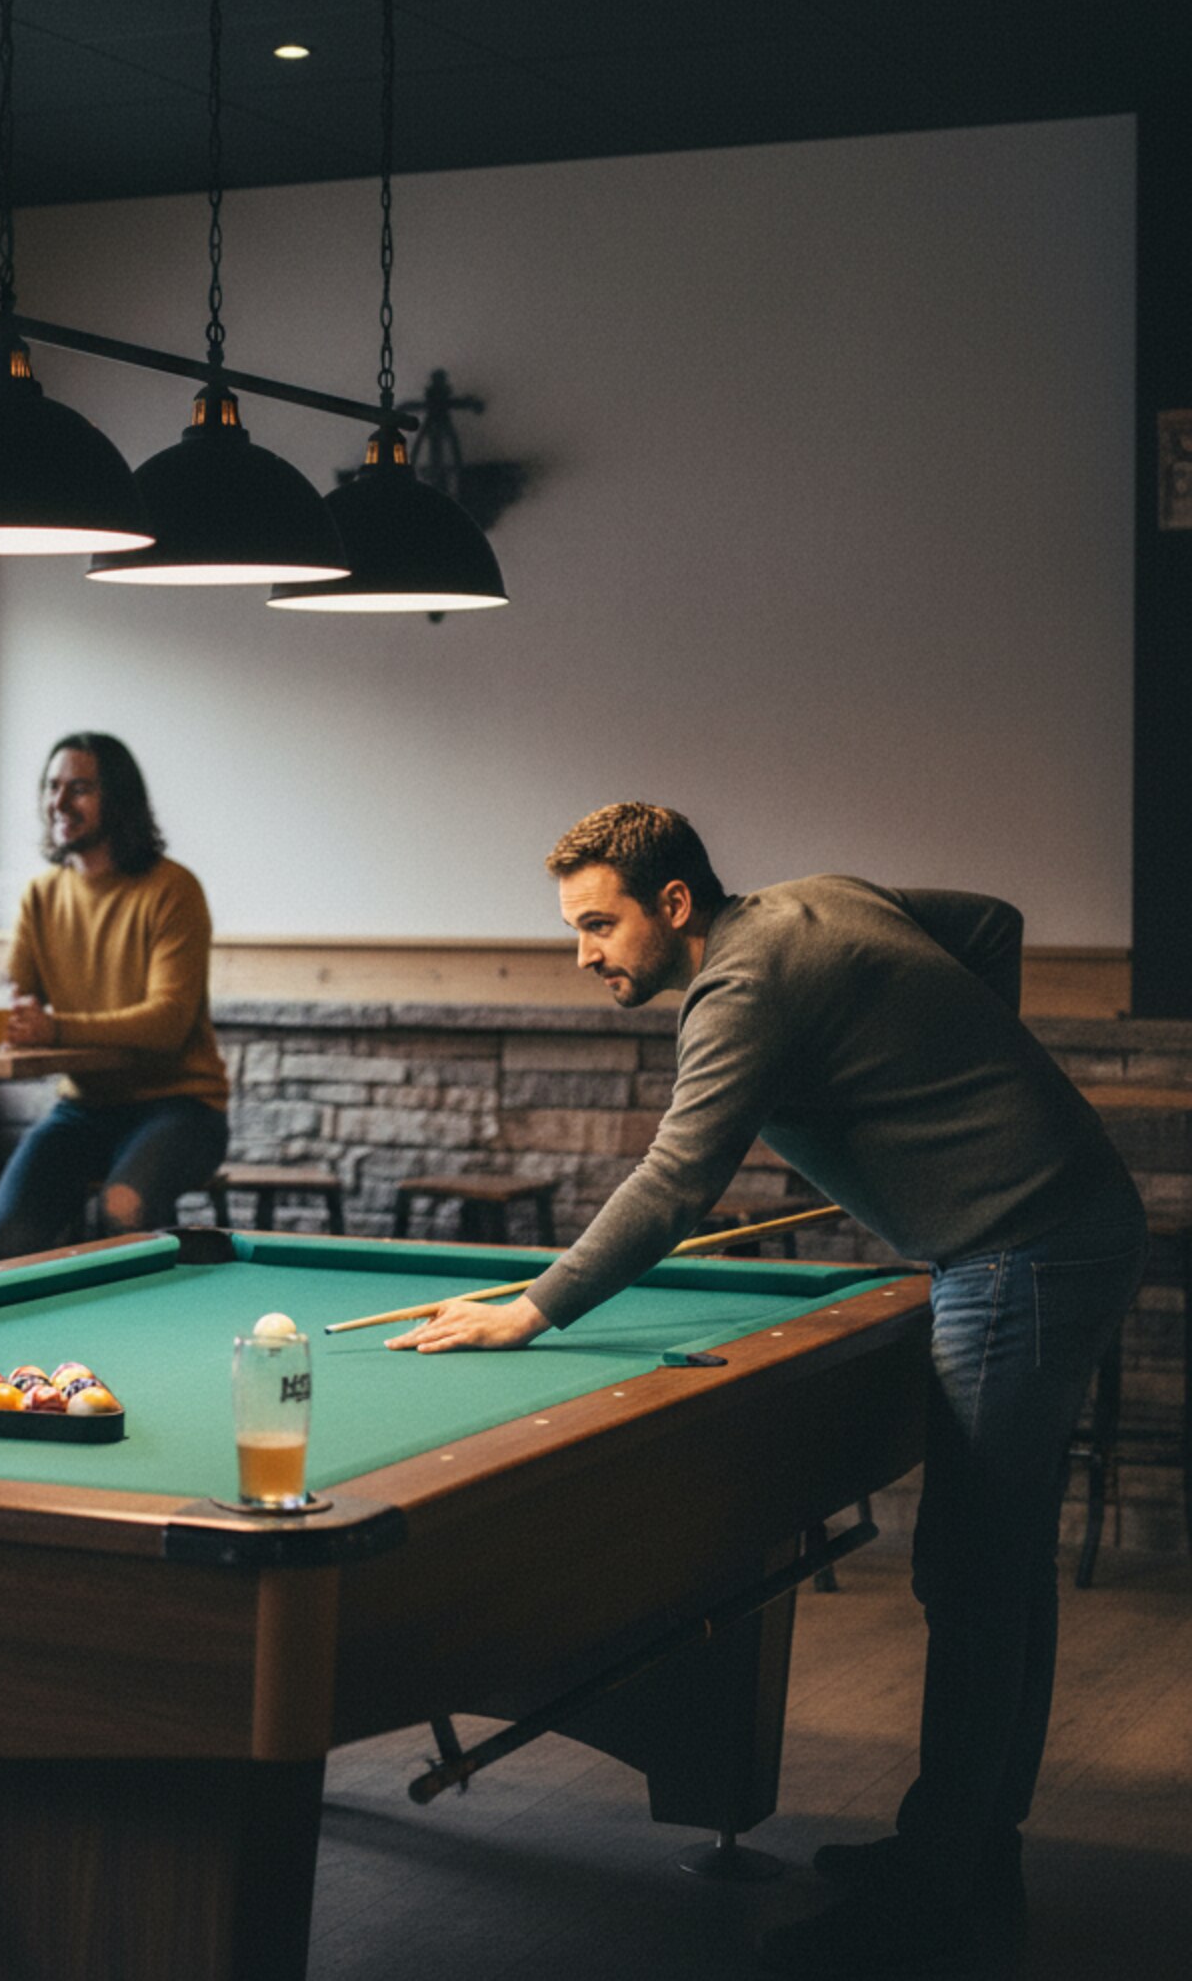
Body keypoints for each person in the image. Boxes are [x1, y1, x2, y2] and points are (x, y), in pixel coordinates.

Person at [389, 802, 1143, 1977]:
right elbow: (986, 924)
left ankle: (942, 1888)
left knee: (971, 1570)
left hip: (1020, 1248)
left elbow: (675, 1180)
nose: (582, 952)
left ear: (672, 904)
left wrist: (530, 1307)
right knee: (998, 1568)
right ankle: (964, 1847)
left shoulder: (739, 989)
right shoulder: (816, 895)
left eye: (597, 924)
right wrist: (941, 1089)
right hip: (1050, 1227)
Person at [0, 732, 230, 1259]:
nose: (59, 802)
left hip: (181, 1107)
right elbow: (11, 1001)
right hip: (84, 1108)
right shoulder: (41, 895)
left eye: (80, 788)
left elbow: (167, 1023)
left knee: (123, 1210)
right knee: (4, 1237)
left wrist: (55, 1027)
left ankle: (150, 1337)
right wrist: (6, 1023)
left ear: (118, 799)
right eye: (52, 787)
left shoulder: (173, 889)